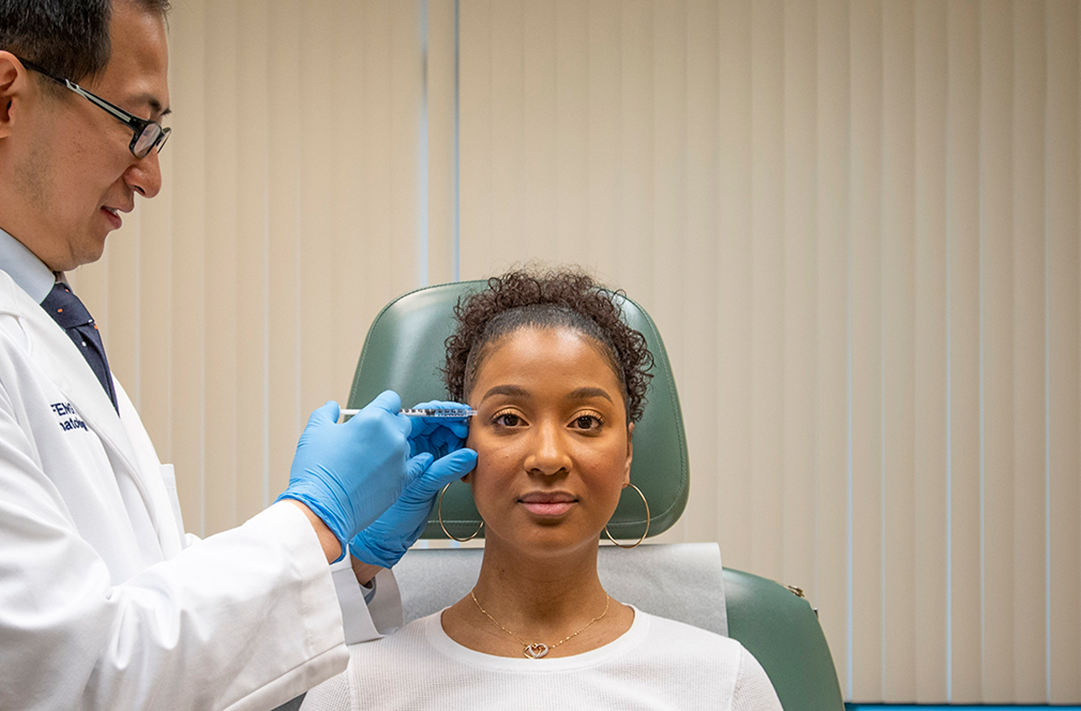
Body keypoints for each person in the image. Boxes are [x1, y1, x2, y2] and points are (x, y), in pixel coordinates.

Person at [0, 0, 475, 709]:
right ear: (1, 98)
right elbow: (78, 679)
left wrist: (348, 566)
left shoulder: (42, 323)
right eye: (135, 125)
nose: (150, 177)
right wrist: (314, 520)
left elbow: (141, 592)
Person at [301, 268, 783, 711]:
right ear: (461, 445)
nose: (548, 457)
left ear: (628, 453)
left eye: (586, 421)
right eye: (509, 419)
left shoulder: (725, 684)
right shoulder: (356, 688)